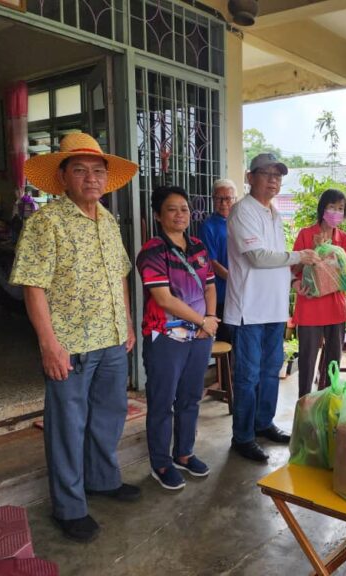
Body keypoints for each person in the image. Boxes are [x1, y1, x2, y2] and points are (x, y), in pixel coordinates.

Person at [9, 132, 140, 543]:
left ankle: (102, 479)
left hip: (112, 338)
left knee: (109, 416)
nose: (91, 178)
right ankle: (69, 507)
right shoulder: (46, 222)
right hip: (71, 344)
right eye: (80, 170)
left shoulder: (109, 220)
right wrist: (48, 344)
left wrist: (127, 322)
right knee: (67, 427)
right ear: (63, 177)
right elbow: (33, 285)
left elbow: (120, 274)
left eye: (98, 171)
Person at [225, 152, 320, 461]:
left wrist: (292, 282)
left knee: (269, 372)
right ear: (250, 177)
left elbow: (275, 259)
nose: (273, 180)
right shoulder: (242, 211)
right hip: (249, 311)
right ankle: (242, 436)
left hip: (275, 309)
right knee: (248, 376)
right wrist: (300, 256)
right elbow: (257, 257)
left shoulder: (274, 214)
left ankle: (263, 423)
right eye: (266, 174)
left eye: (277, 176)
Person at [136, 186, 217, 490]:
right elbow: (165, 299)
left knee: (190, 397)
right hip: (166, 338)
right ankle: (160, 463)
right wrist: (203, 321)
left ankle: (184, 453)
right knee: (162, 401)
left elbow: (209, 285)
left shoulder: (197, 246)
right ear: (158, 215)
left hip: (200, 335)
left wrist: (209, 320)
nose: (180, 214)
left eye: (184, 208)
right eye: (172, 209)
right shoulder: (152, 252)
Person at [291, 189, 346, 397]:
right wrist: (311, 253)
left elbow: (344, 274)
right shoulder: (306, 234)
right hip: (310, 307)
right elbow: (293, 268)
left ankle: (327, 403)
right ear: (322, 209)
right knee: (307, 362)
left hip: (336, 307)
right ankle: (304, 404)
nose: (336, 212)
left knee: (333, 363)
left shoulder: (344, 238)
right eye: (332, 207)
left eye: (341, 209)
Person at [200, 179, 237, 341]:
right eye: (218, 198)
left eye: (227, 198)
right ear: (212, 199)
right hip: (222, 294)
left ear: (235, 199)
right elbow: (211, 263)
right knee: (226, 339)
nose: (223, 203)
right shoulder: (208, 226)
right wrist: (236, 280)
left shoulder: (241, 222)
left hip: (243, 293)